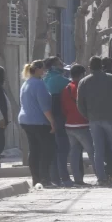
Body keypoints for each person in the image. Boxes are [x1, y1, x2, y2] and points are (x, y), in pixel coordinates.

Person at [77, 56, 112, 186]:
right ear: (101, 66)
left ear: (90, 68)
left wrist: (88, 115)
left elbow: (80, 104)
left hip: (94, 119)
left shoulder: (84, 82)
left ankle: (101, 178)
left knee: (98, 149)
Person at [19, 60, 57, 187]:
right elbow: (44, 107)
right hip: (39, 122)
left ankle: (36, 179)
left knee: (34, 150)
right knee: (47, 150)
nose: (45, 71)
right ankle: (45, 178)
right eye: (43, 69)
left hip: (26, 121)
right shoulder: (39, 84)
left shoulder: (26, 84)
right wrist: (52, 122)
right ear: (38, 69)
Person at [61, 64, 96, 186]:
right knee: (92, 151)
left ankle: (78, 179)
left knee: (74, 154)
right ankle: (101, 176)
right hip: (82, 124)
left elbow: (64, 108)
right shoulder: (81, 87)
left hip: (69, 125)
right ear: (81, 75)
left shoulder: (66, 88)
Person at [43, 56, 73, 187]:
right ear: (55, 66)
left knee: (53, 149)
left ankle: (54, 177)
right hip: (60, 118)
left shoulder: (45, 79)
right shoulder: (61, 81)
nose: (63, 66)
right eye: (60, 64)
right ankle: (65, 177)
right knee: (63, 149)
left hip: (47, 119)